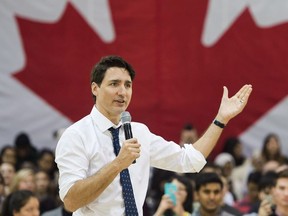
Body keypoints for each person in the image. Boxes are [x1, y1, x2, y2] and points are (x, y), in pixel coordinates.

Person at [55, 55, 252, 215]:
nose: (122, 92)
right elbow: (71, 202)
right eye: (114, 84)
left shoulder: (139, 132)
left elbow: (190, 160)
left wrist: (221, 119)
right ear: (95, 88)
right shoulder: (76, 135)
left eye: (128, 85)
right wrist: (117, 164)